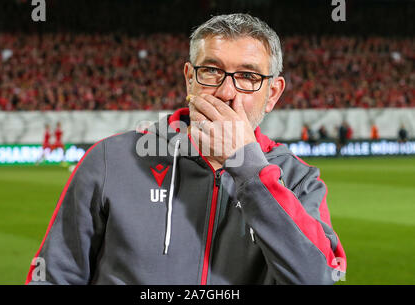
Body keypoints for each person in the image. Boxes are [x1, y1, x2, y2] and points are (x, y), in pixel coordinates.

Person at [26, 13, 346, 285]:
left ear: (273, 93)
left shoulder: (297, 179)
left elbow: (319, 277)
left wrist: (248, 167)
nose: (226, 92)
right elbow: (55, 275)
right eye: (211, 71)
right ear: (189, 79)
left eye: (247, 76)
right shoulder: (112, 160)